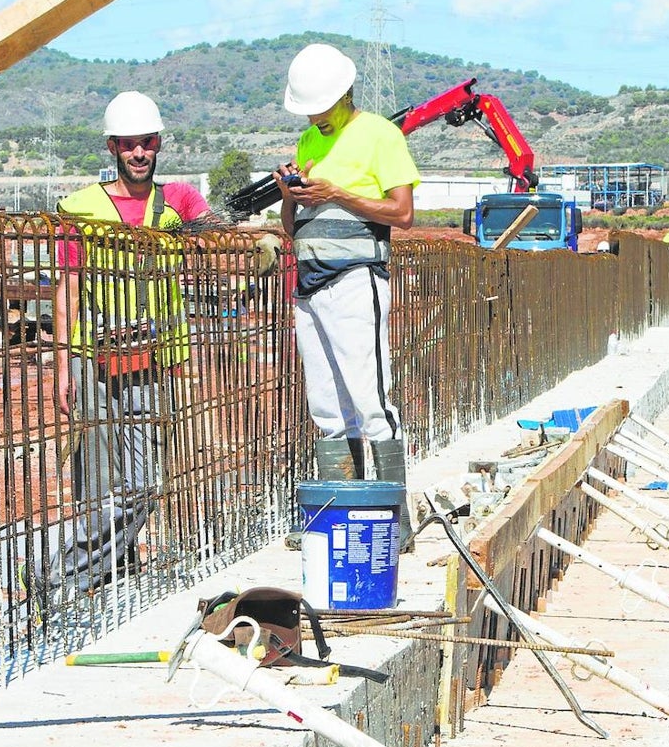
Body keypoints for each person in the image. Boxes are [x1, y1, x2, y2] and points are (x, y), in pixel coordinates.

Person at [23, 91, 260, 610]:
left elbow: (218, 231)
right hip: (92, 354)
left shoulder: (177, 202)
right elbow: (65, 288)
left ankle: (65, 572)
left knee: (146, 482)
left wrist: (230, 224)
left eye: (146, 144)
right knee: (98, 478)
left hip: (150, 354)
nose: (138, 153)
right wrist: (62, 364)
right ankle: (102, 570)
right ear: (113, 146)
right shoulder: (81, 207)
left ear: (158, 145)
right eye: (129, 145)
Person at [277, 43, 420, 551]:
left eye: (321, 105)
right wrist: (291, 197)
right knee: (327, 408)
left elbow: (401, 214)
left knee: (370, 400)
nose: (315, 115)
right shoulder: (308, 141)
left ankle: (394, 517)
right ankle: (336, 509)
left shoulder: (379, 134)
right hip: (310, 284)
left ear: (344, 93)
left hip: (356, 279)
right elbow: (292, 225)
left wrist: (338, 193)